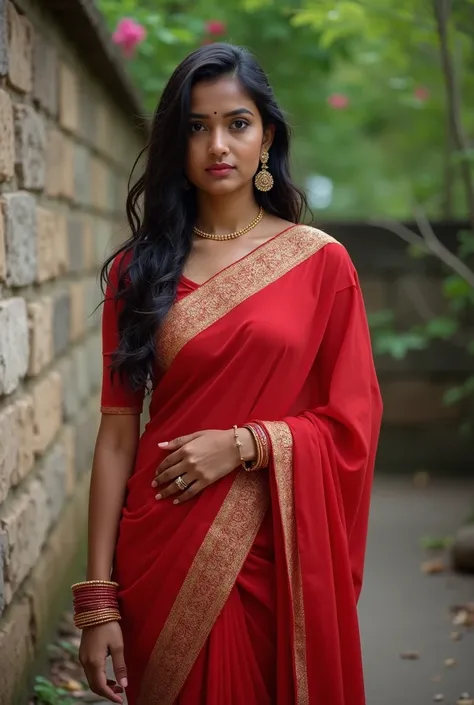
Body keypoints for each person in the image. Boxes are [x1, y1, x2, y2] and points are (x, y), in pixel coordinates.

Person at [76, 42, 383, 705]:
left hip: (276, 555)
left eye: (237, 123)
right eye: (196, 125)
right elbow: (117, 433)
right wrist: (98, 600)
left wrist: (247, 443)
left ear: (266, 135)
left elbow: (352, 424)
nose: (218, 143)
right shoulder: (140, 272)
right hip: (164, 546)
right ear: (175, 141)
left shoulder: (320, 264)